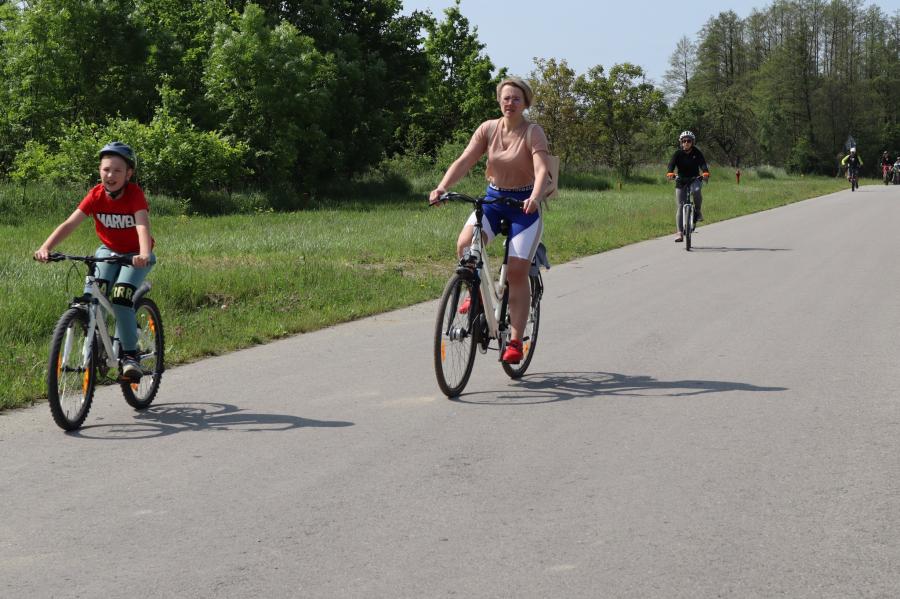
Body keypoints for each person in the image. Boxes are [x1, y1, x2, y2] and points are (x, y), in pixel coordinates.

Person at [428, 76, 551, 364]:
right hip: (494, 201)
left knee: (517, 272)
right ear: (499, 101)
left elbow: (541, 169)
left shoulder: (533, 132)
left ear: (525, 103)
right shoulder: (488, 128)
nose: (510, 103)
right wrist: (442, 187)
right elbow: (465, 160)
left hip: (523, 207)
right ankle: (478, 295)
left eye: (516, 99)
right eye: (506, 98)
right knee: (464, 246)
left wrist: (535, 196)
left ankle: (515, 341)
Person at [34, 142, 156, 379]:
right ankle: (98, 338)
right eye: (106, 169)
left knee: (121, 297)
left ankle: (130, 355)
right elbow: (70, 224)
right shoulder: (96, 195)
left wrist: (143, 253)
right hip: (109, 251)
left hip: (136, 254)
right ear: (100, 171)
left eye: (117, 170)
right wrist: (46, 247)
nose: (110, 175)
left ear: (128, 174)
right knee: (94, 293)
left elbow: (142, 225)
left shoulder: (134, 195)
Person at [666, 130, 710, 242]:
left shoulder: (697, 152)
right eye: (684, 141)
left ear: (692, 142)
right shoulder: (677, 154)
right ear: (681, 142)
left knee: (696, 191)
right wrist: (670, 172)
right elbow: (671, 164)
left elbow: (703, 164)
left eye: (688, 141)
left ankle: (698, 211)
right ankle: (679, 233)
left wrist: (705, 172)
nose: (686, 143)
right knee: (680, 206)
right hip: (681, 180)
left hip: (694, 178)